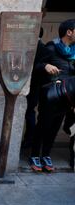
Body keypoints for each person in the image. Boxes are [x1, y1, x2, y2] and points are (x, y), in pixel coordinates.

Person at [29, 19, 75, 172]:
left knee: (56, 127)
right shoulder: (51, 47)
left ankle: (46, 154)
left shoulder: (74, 52)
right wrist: (45, 66)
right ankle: (35, 154)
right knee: (43, 125)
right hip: (50, 96)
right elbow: (34, 67)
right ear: (69, 32)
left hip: (67, 98)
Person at [22, 27, 47, 148]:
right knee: (29, 113)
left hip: (33, 87)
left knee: (29, 113)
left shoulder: (41, 48)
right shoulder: (43, 47)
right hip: (32, 87)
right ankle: (28, 140)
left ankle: (28, 140)